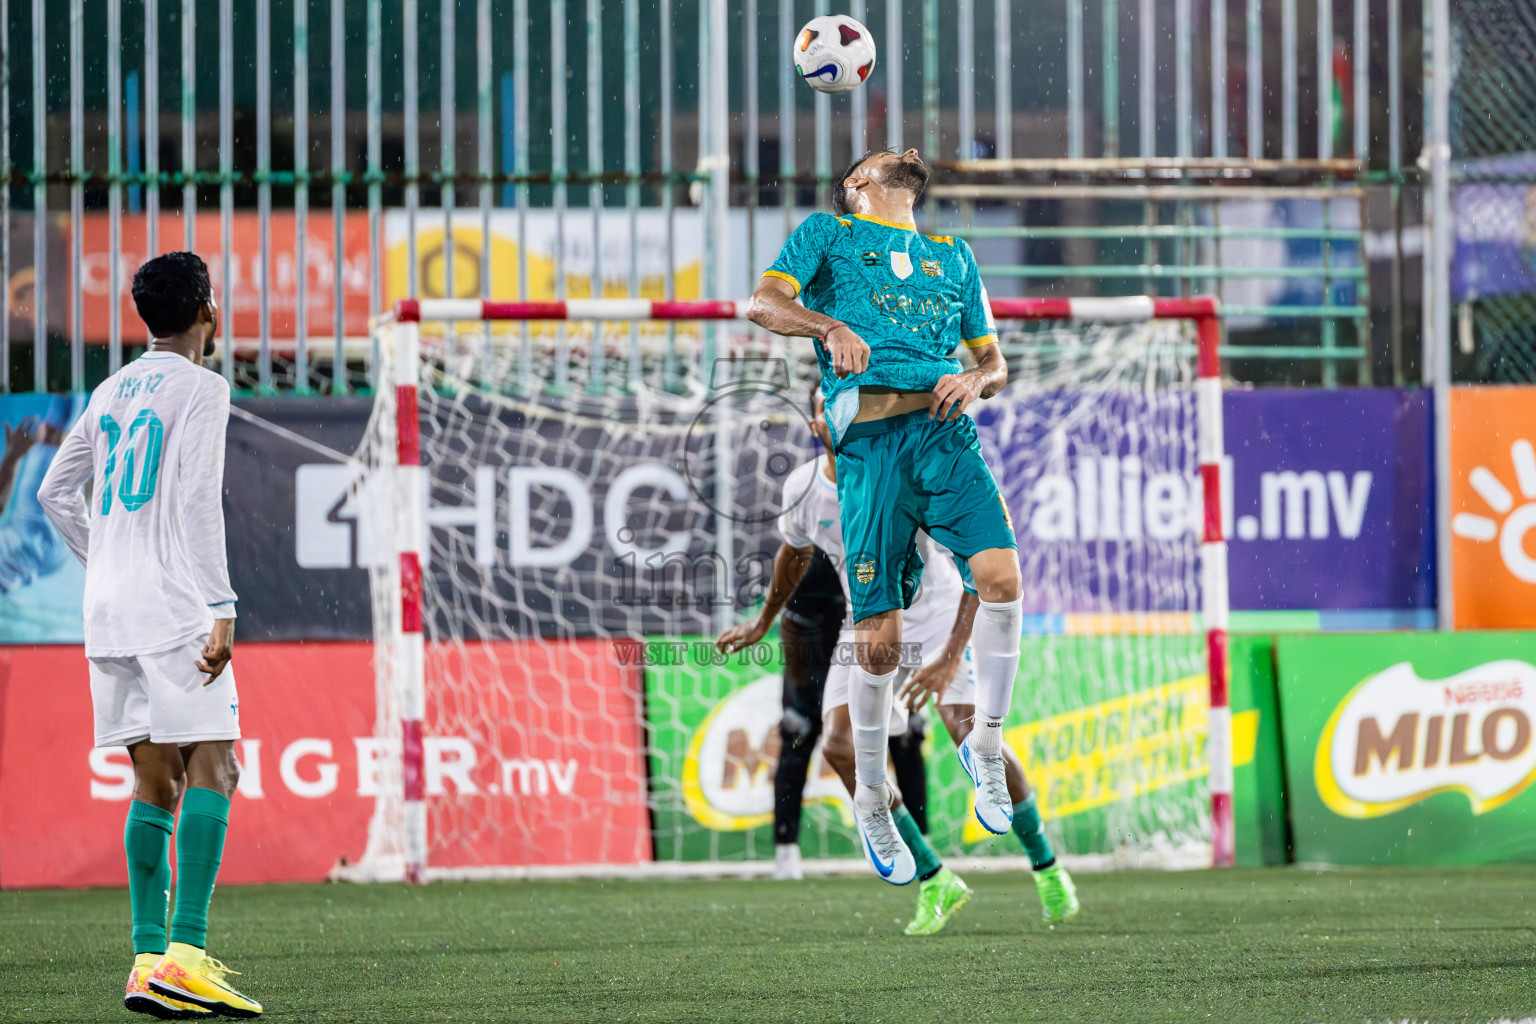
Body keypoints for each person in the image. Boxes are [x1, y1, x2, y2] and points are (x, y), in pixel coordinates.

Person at [747, 147, 1025, 886]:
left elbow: (995, 363)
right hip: (870, 446)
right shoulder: (828, 234)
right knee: (877, 644)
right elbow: (762, 304)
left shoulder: (954, 255)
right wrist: (824, 326)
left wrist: (975, 378)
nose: (902, 150)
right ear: (857, 184)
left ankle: (987, 750)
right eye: (882, 154)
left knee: (1001, 577)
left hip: (945, 432)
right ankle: (873, 797)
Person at [721, 390, 1079, 932]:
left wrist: (949, 656)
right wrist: (764, 620)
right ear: (816, 422)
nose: (832, 415)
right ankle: (936, 880)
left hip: (935, 617)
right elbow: (793, 554)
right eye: (823, 406)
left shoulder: (907, 466)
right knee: (839, 745)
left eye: (842, 404)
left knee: (970, 736)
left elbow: (974, 565)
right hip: (868, 621)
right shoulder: (803, 490)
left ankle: (1047, 868)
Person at [38, 251, 263, 1020]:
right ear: (207, 308)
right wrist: (222, 604)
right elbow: (200, 500)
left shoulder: (110, 391)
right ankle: (189, 956)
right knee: (218, 770)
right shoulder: (202, 387)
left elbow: (52, 491)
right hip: (173, 606)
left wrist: (108, 558)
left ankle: (145, 961)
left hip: (107, 609)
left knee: (155, 777)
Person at [769, 543, 930, 883]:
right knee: (799, 729)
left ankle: (919, 841)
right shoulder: (814, 558)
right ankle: (786, 849)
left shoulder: (891, 539)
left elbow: (914, 613)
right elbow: (793, 622)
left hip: (876, 635)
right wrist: (803, 693)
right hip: (814, 645)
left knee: (907, 732)